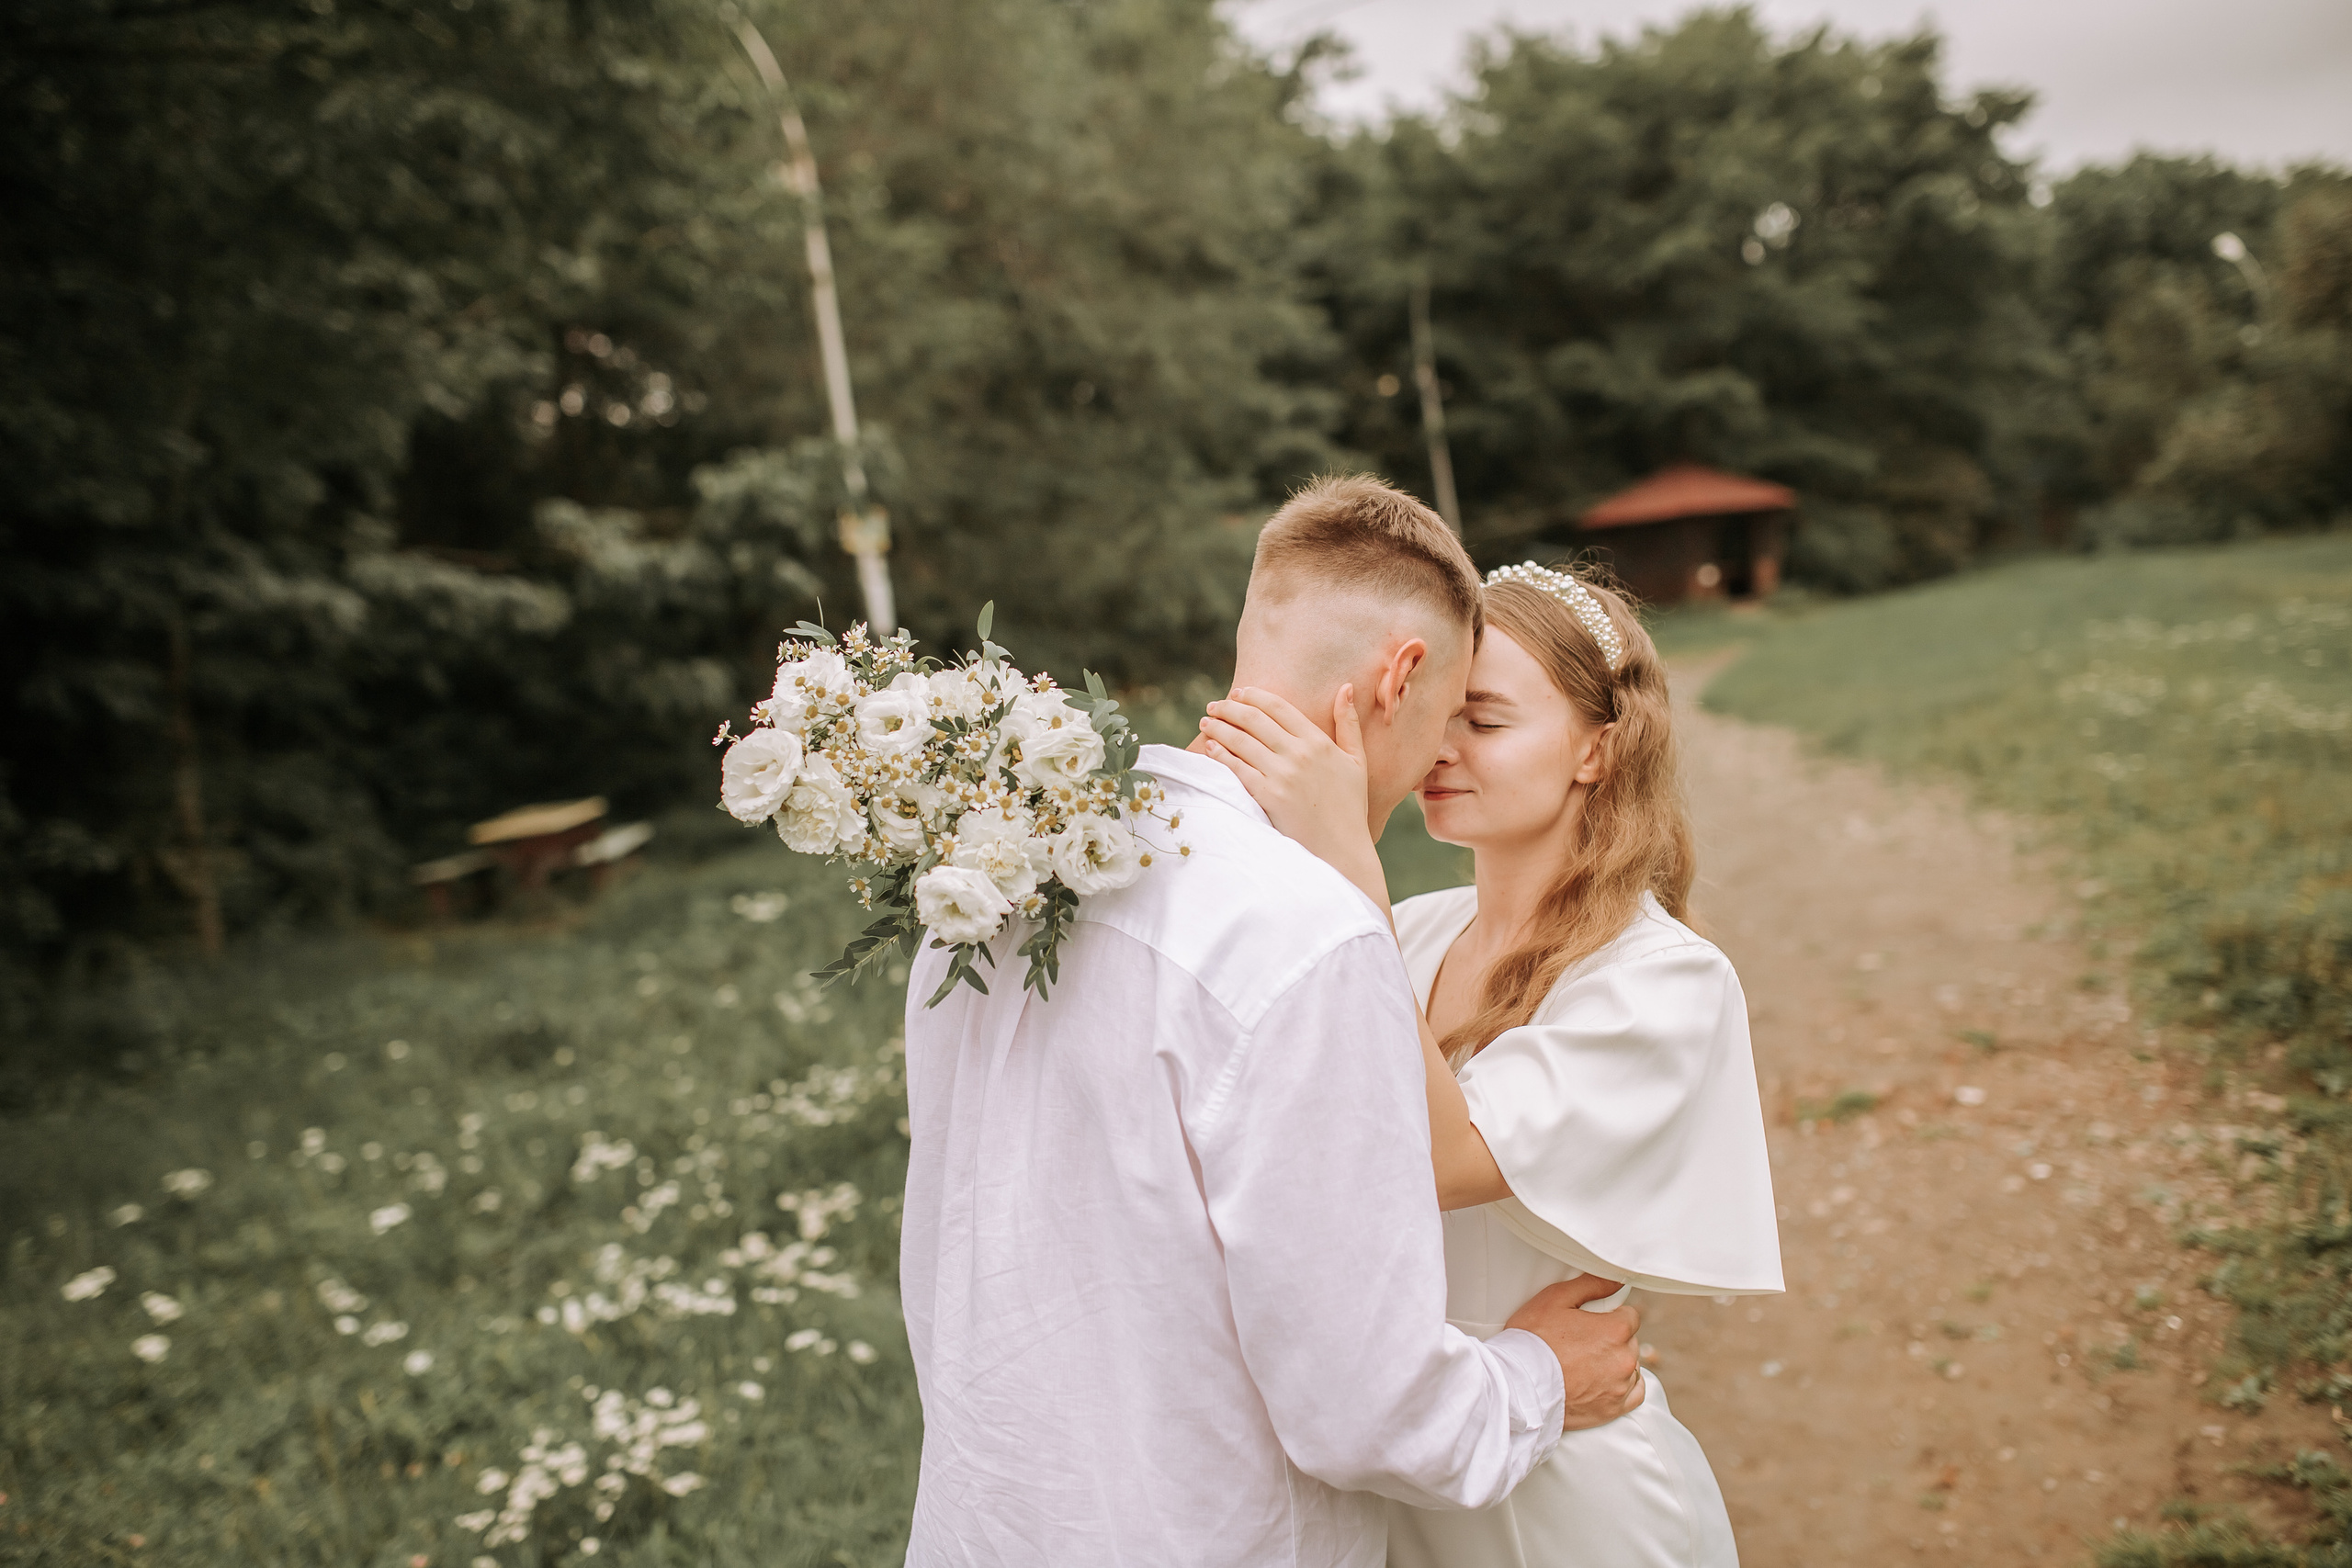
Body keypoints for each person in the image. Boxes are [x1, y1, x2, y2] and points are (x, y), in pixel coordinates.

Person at [898, 478, 1647, 1567]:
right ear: (1400, 678)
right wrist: (1538, 1377)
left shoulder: (996, 879)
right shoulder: (1309, 940)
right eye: (1447, 719)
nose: (1439, 761)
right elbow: (1366, 1408)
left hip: (988, 1527)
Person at [1198, 559, 1783, 1568]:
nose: (1442, 749)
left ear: (1597, 749)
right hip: (1401, 1450)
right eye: (1441, 714)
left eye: (1489, 720)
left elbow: (1436, 1157)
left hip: (1558, 1491)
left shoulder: (1661, 981)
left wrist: (1346, 864)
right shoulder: (1415, 933)